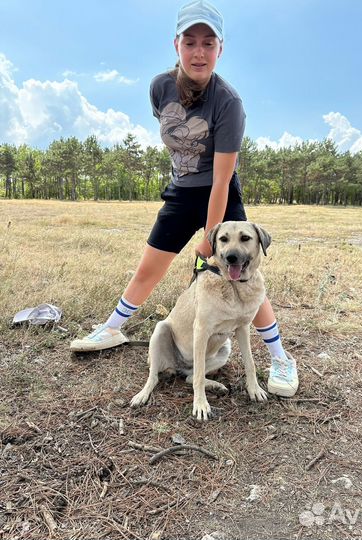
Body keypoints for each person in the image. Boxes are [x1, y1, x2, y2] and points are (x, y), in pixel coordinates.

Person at [70, 0, 299, 398]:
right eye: (190, 41)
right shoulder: (160, 88)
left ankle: (279, 357)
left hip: (220, 192)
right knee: (149, 267)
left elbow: (222, 179)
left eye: (208, 43)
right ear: (176, 44)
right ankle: (111, 329)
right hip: (182, 190)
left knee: (244, 276)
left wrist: (210, 239)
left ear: (220, 50)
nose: (198, 51)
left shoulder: (229, 103)